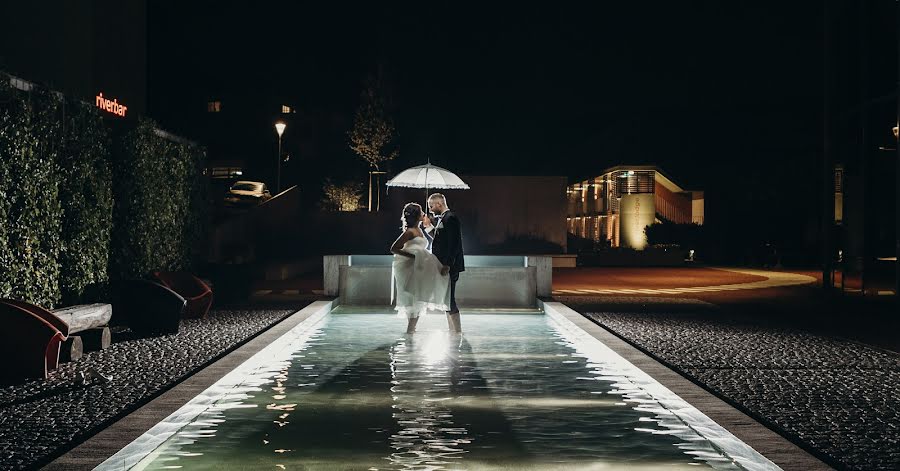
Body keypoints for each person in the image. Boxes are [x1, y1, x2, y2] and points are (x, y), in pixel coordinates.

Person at [390, 202, 451, 333]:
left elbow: (436, 238)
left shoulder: (420, 230)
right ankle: (410, 330)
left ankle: (411, 329)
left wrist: (428, 225)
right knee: (413, 296)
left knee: (418, 296)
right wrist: (413, 256)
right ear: (417, 216)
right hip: (409, 267)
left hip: (419, 267)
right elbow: (394, 248)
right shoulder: (409, 232)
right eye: (421, 212)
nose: (424, 213)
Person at [426, 193, 465, 333]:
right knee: (447, 300)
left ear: (439, 204)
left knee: (449, 299)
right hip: (445, 266)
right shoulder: (444, 219)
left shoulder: (451, 218)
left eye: (431, 206)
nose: (430, 209)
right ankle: (453, 331)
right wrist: (429, 226)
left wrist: (447, 264)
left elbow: (453, 244)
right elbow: (440, 240)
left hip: (449, 266)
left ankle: (457, 332)